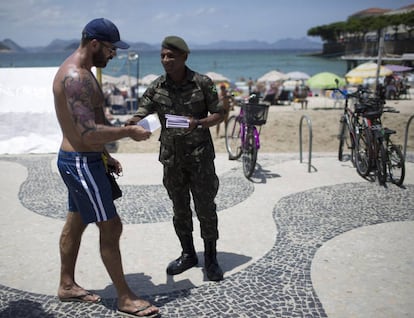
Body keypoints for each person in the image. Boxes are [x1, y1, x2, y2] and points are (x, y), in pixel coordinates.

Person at [53, 18, 160, 318]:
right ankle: (125, 298)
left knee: (75, 222)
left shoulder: (85, 73)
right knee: (111, 225)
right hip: (80, 163)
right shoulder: (77, 77)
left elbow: (89, 129)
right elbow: (86, 133)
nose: (114, 55)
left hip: (84, 159)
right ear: (95, 44)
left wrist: (106, 153)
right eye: (112, 48)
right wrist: (127, 133)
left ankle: (66, 285)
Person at [126, 36, 225, 281]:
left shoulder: (203, 83)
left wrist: (199, 123)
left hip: (200, 158)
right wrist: (134, 121)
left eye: (171, 56)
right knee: (179, 209)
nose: (166, 60)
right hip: (172, 160)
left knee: (205, 209)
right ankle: (188, 254)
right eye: (162, 56)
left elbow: (220, 113)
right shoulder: (158, 86)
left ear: (184, 57)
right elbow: (144, 109)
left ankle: (211, 259)